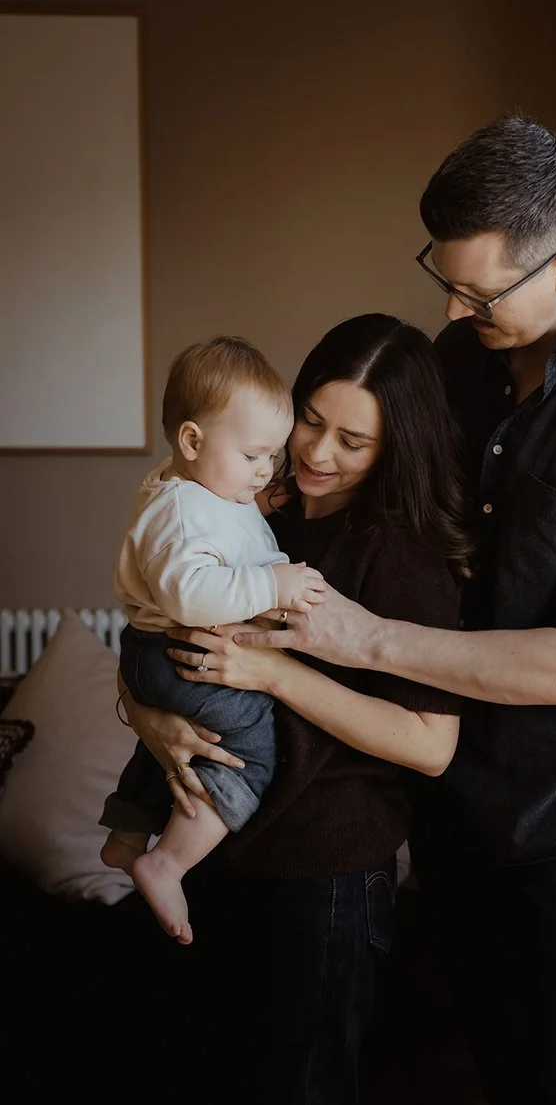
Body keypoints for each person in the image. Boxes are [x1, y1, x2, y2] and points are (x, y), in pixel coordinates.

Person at [224, 117, 556, 1105]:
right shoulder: (462, 361)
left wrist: (358, 638)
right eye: (442, 278)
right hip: (459, 797)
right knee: (488, 1072)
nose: (453, 307)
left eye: (478, 291)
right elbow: (394, 502)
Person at [117, 313, 471, 1105]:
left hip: (322, 876)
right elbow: (154, 628)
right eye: (311, 420)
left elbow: (430, 744)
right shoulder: (249, 503)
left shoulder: (401, 554)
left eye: (353, 441)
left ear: (395, 448)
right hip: (219, 855)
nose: (315, 453)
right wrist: (147, 718)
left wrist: (271, 672)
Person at [100, 335, 326, 943]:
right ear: (193, 442)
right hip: (174, 653)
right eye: (255, 455)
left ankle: (127, 835)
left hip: (160, 655)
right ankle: (166, 863)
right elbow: (189, 595)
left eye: (272, 456)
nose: (265, 472)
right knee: (249, 755)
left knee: (182, 746)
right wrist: (273, 585)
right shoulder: (183, 510)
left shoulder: (210, 490)